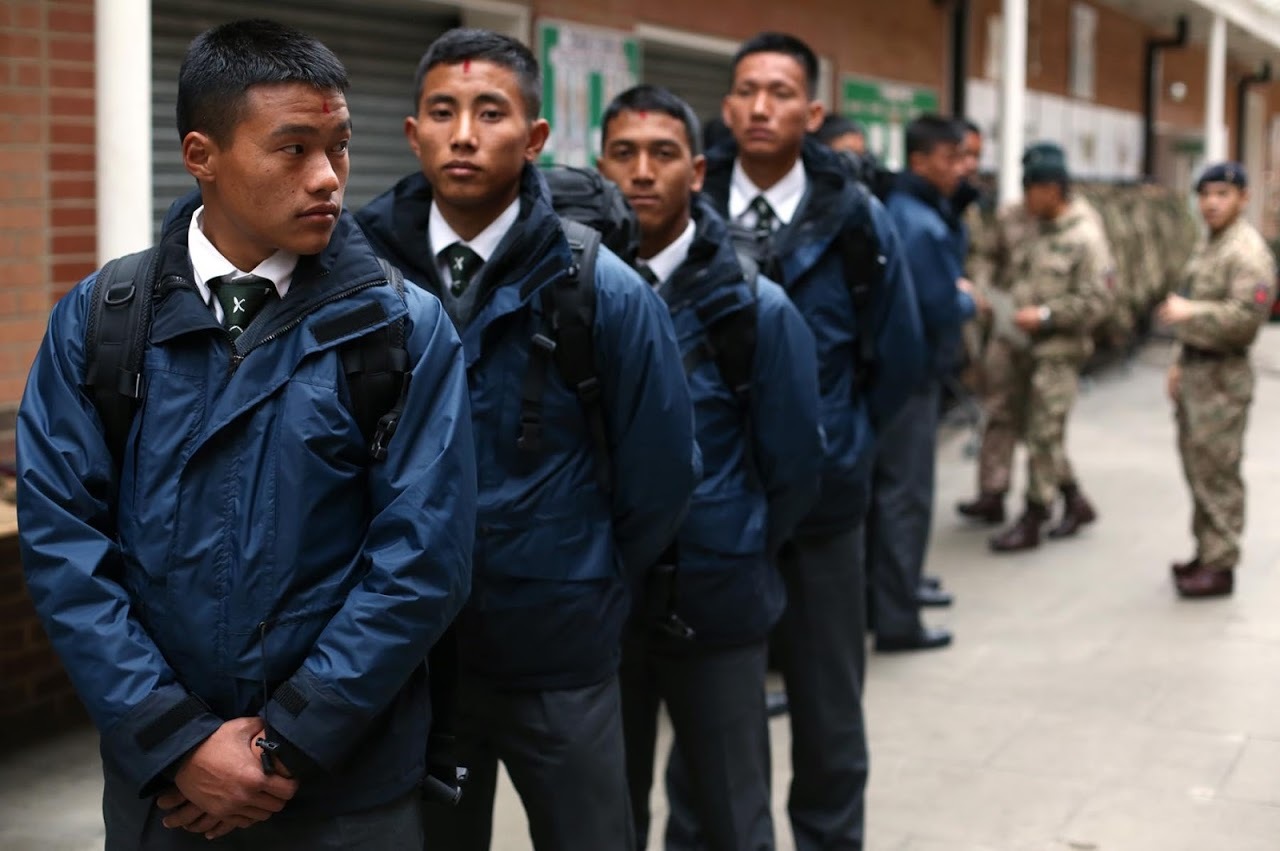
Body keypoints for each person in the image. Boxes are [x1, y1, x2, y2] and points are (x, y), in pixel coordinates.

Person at [16, 19, 475, 849]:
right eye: (293, 149)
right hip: (167, 794)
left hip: (348, 786)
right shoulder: (102, 321)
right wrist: (172, 738)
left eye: (339, 146)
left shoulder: (402, 329)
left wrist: (286, 740)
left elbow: (423, 559)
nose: (329, 177)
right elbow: (65, 545)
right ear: (202, 155)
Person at [355, 29, 698, 851]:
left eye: (490, 112)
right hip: (409, 655)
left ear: (535, 136)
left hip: (560, 652)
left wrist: (581, 570)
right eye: (443, 112)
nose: (464, 135)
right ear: (413, 132)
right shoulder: (358, 279)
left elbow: (661, 478)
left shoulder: (602, 288)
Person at [672, 31, 926, 851]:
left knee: (827, 710)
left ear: (813, 112)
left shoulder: (856, 218)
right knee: (707, 711)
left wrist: (838, 443)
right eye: (746, 90)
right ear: (726, 105)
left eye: (780, 92)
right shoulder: (687, 200)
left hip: (822, 510)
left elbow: (899, 358)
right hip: (710, 507)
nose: (760, 107)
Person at [596, 84, 823, 850]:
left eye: (662, 154)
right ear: (601, 167)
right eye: (624, 153)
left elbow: (795, 468)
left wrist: (735, 536)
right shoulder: (571, 292)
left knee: (733, 813)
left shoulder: (757, 308)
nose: (642, 172)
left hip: (717, 601)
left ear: (696, 172)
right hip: (598, 603)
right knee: (605, 817)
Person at [869, 115, 975, 652]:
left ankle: (897, 592)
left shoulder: (916, 210)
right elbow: (937, 304)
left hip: (904, 373)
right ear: (919, 160)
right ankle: (897, 616)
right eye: (951, 158)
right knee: (905, 497)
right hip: (910, 376)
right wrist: (966, 299)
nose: (962, 168)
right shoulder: (917, 221)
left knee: (895, 496)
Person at [1158, 162, 1276, 598]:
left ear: (1243, 198)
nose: (1211, 203)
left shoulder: (1246, 252)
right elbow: (1190, 300)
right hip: (1196, 369)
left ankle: (1221, 564)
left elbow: (1246, 319)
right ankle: (1206, 551)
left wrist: (1192, 313)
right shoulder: (1210, 244)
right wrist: (1177, 361)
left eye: (1222, 194)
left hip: (1222, 378)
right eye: (1205, 194)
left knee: (1219, 473)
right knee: (1198, 468)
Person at [988, 142, 1113, 553]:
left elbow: (1098, 301)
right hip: (1025, 346)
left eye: (1031, 190)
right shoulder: (1037, 227)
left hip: (1060, 351)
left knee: (1043, 435)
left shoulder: (1085, 237)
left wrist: (1045, 316)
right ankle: (1075, 501)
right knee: (1040, 432)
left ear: (1052, 189)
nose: (1025, 199)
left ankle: (1034, 515)